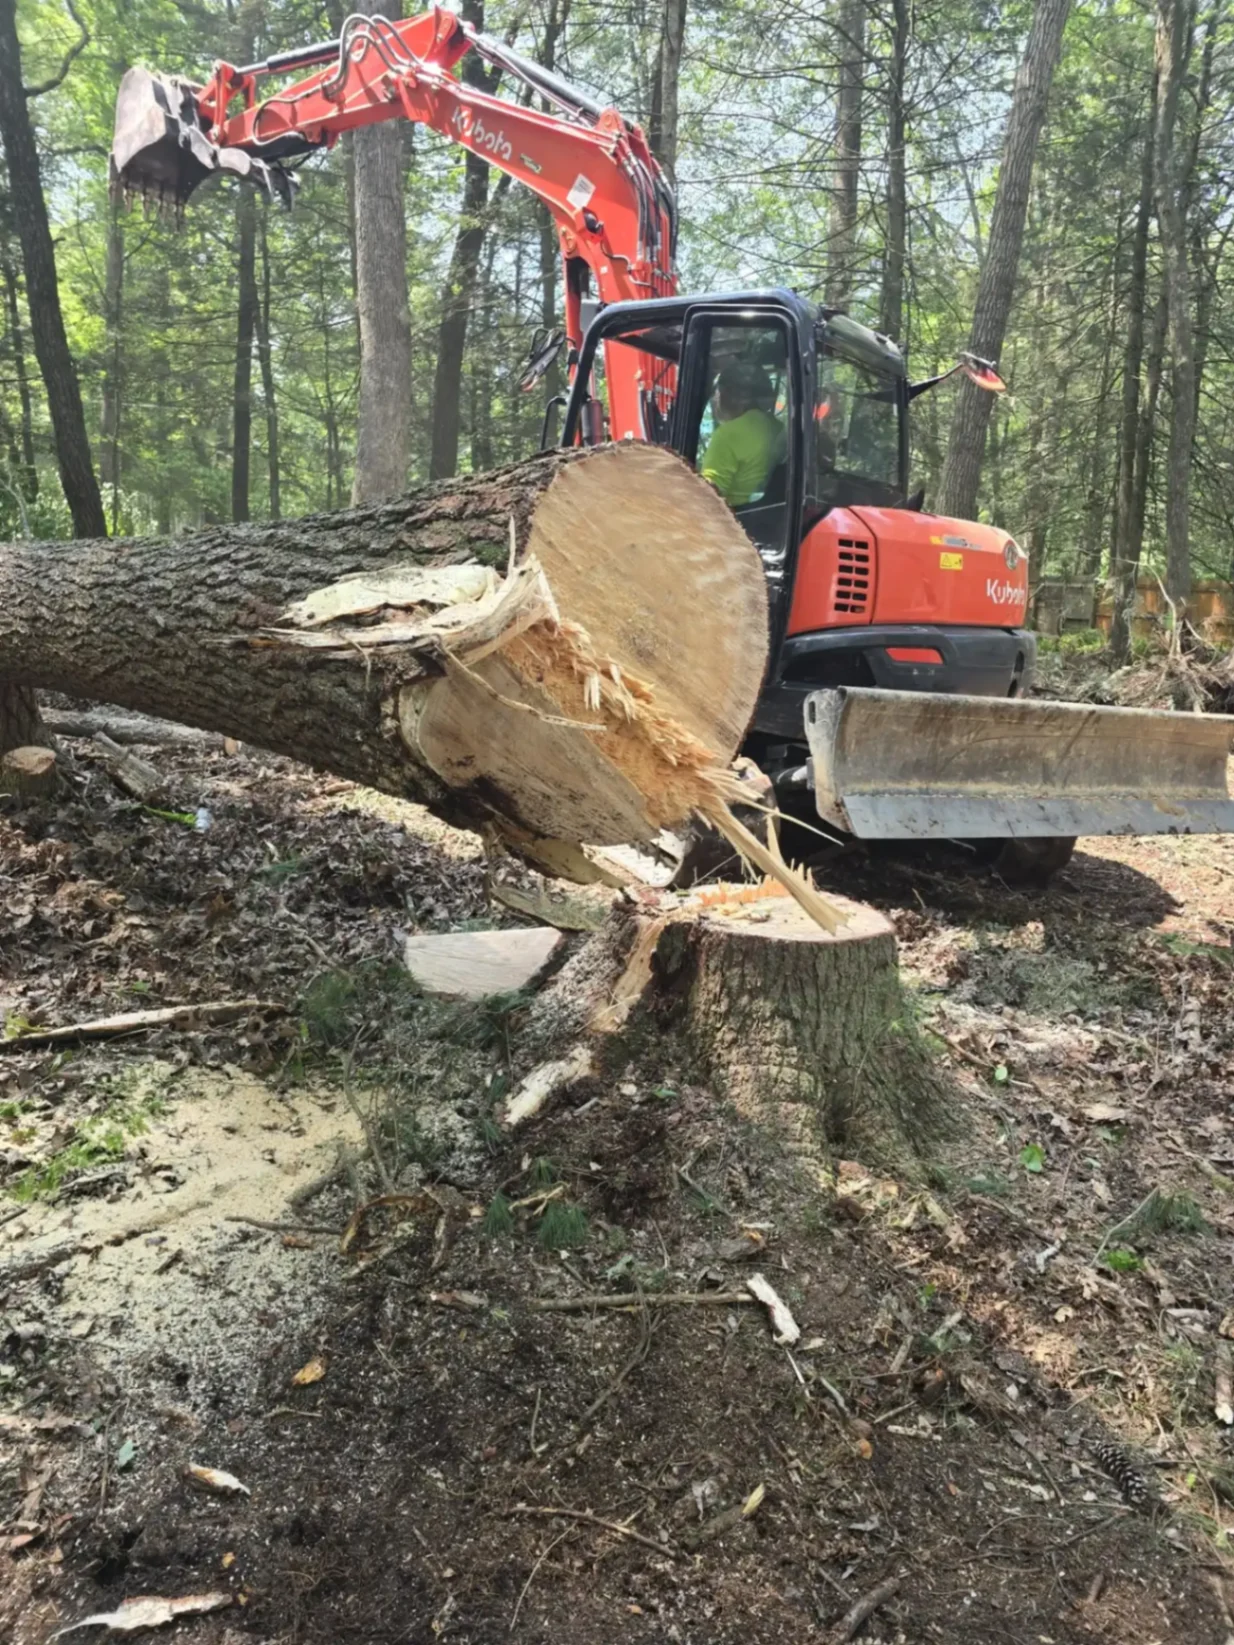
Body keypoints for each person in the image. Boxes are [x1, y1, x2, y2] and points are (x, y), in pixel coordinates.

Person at [699, 360, 785, 507]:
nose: (717, 399)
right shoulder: (778, 427)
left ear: (729, 395)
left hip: (737, 518)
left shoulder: (728, 435)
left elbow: (707, 497)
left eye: (719, 392)